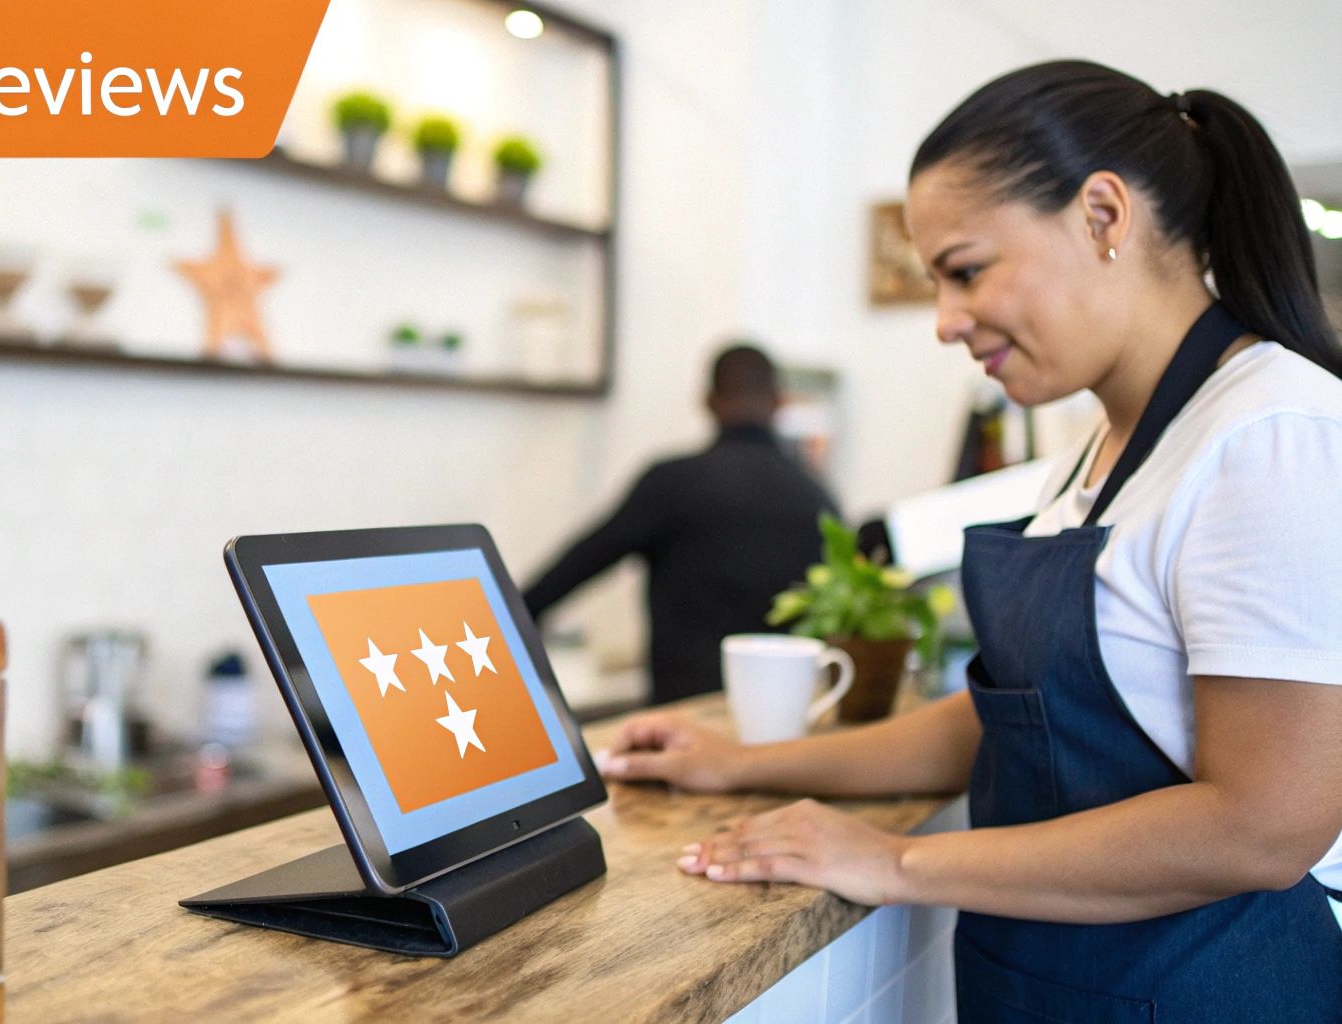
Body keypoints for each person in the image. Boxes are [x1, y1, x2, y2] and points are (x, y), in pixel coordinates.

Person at [596, 60, 1342, 1021]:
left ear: (1104, 216)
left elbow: (1263, 826)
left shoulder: (1270, 430)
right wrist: (733, 760)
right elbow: (1008, 718)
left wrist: (897, 861)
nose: (946, 322)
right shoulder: (1096, 452)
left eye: (966, 270)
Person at [522, 344, 836, 706]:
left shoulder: (672, 483)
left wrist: (512, 616)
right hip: (782, 722)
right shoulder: (817, 498)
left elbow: (579, 564)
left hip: (683, 722)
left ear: (707, 402)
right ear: (780, 402)